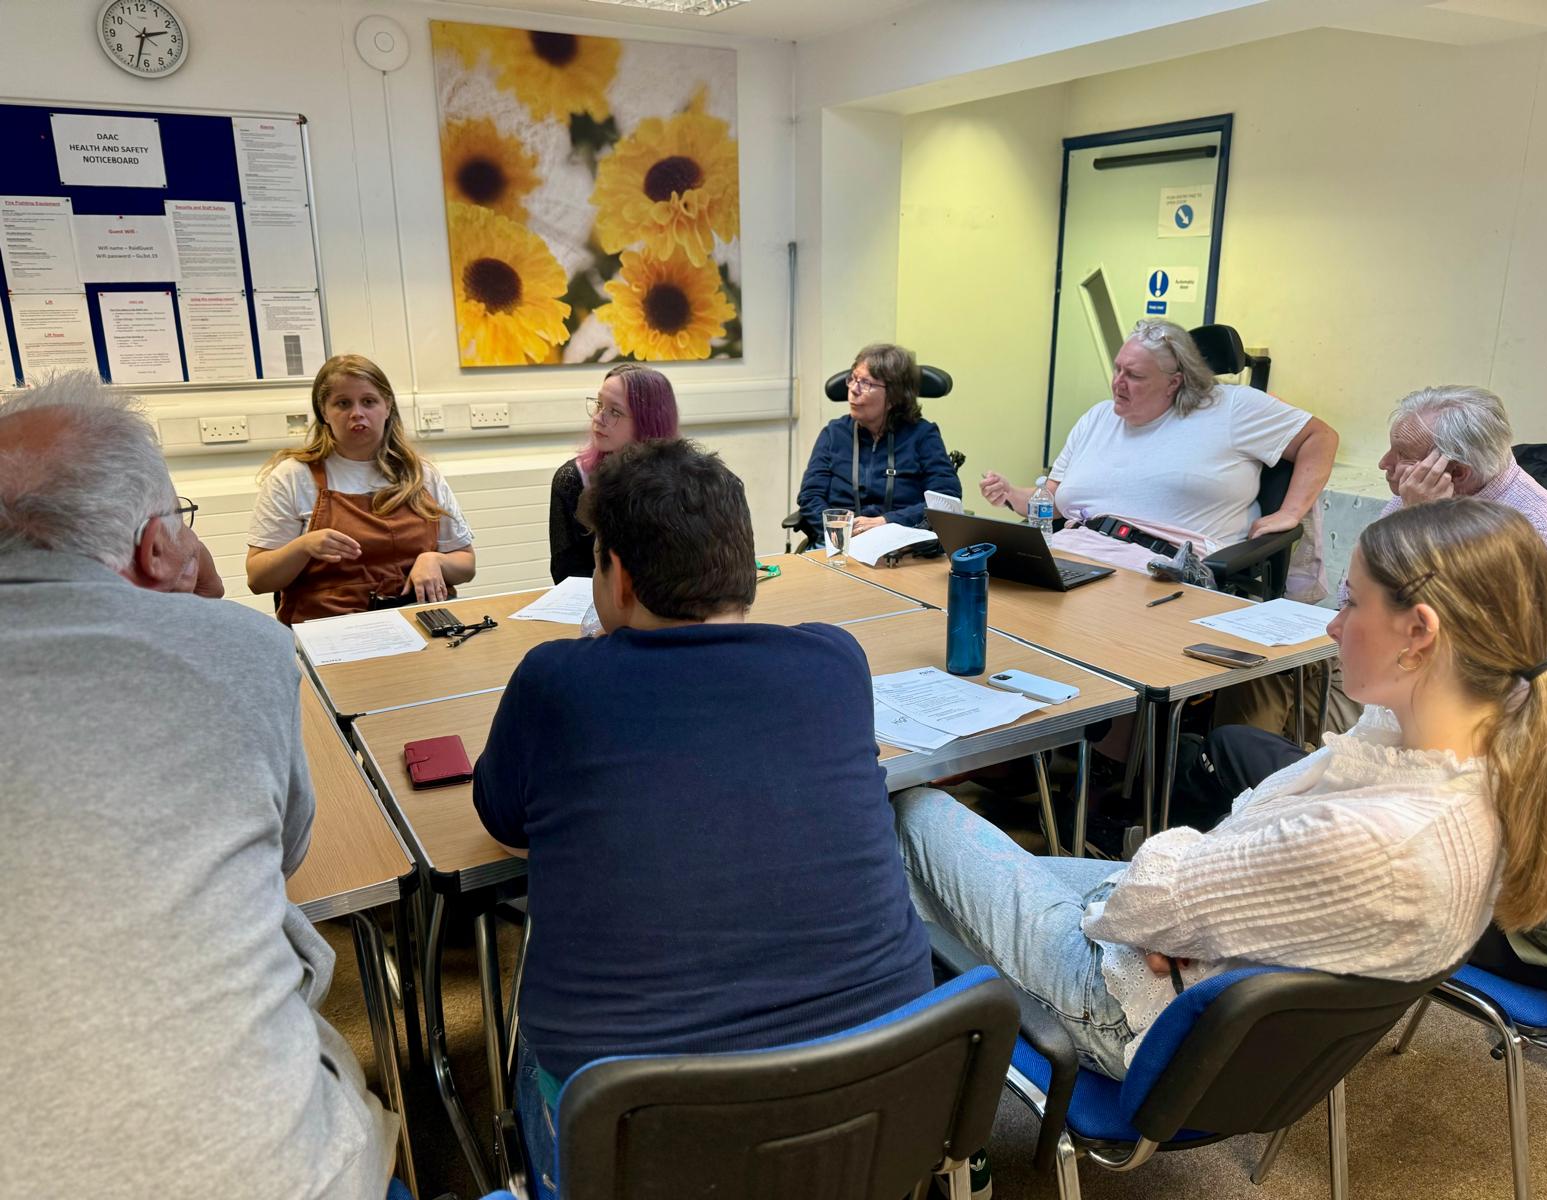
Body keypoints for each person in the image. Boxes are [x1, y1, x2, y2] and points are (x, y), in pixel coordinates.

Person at [897, 498, 1547, 1080]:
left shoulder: (1385, 837)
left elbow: (1148, 901)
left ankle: (894, 1106)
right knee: (950, 881)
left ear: (1419, 634)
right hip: (1186, 955)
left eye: (1351, 603)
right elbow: (1195, 876)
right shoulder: (1460, 754)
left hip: (1127, 1001)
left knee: (908, 813)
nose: (1332, 623)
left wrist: (1172, 897)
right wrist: (1186, 897)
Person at [473, 438, 933, 1194]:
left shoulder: (557, 683)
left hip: (641, 1136)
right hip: (875, 1105)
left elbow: (503, 816)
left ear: (617, 575)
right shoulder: (834, 662)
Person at [0, 373, 397, 1199]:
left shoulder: (414, 472)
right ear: (155, 545)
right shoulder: (246, 639)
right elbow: (288, 848)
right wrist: (210, 605)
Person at [1218, 385, 1547, 745]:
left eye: (1401, 455)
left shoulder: (1539, 529)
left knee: (1276, 718)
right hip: (1404, 658)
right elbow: (1354, 591)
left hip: (1488, 699)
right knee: (1260, 668)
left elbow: (1454, 639)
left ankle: (1287, 774)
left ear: (1457, 472)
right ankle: (1255, 785)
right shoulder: (1418, 492)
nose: (1385, 463)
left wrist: (1421, 523)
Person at [979, 319, 1337, 561]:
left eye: (1134, 375)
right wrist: (1011, 494)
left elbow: (1320, 437)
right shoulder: (1097, 418)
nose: (1118, 383)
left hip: (1165, 572)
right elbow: (1052, 502)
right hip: (1075, 558)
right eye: (1117, 369)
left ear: (1174, 382)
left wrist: (1290, 512)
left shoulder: (1230, 407)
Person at [246, 354, 476, 623]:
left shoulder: (420, 474)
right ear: (324, 412)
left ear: (387, 407)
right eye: (343, 403)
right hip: (332, 629)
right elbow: (258, 579)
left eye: (369, 401)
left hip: (422, 622)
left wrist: (435, 560)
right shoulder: (293, 476)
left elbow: (466, 564)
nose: (357, 413)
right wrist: (303, 547)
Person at [796, 342, 961, 543]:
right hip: (839, 543)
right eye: (853, 379)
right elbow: (810, 496)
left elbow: (945, 499)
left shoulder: (923, 435)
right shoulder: (834, 433)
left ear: (894, 396)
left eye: (866, 383)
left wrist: (887, 522)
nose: (853, 390)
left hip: (903, 546)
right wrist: (840, 531)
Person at [547, 362, 679, 583]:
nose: (598, 418)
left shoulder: (685, 479)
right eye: (600, 405)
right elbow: (567, 577)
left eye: (614, 411)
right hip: (599, 610)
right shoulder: (573, 479)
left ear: (647, 421)